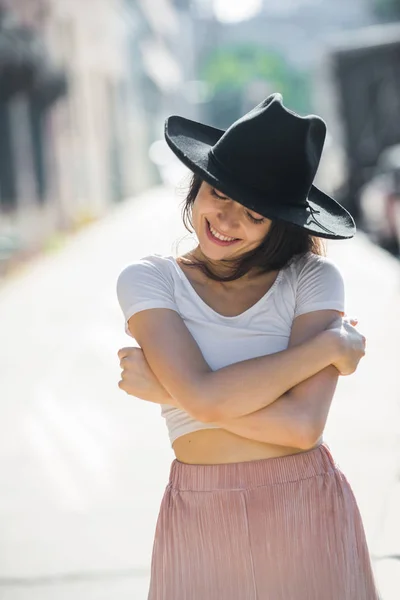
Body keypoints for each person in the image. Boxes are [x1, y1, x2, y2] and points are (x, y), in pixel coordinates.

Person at [116, 94, 379, 599]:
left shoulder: (313, 279)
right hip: (200, 511)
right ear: (197, 184)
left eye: (254, 215)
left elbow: (302, 428)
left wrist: (173, 392)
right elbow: (204, 395)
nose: (227, 220)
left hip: (306, 508)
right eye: (219, 193)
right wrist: (327, 345)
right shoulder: (150, 280)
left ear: (280, 224)